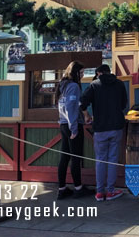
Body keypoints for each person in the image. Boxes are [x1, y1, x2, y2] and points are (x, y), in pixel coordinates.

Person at [81, 64, 128, 202]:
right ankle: (111, 190)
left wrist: (86, 115)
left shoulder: (94, 85)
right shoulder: (119, 84)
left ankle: (100, 192)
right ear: (109, 72)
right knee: (113, 159)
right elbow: (123, 104)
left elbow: (82, 102)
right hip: (116, 126)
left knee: (100, 160)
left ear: (99, 73)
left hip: (100, 127)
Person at [56, 61, 88, 199]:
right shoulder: (74, 86)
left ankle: (62, 188)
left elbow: (63, 105)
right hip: (71, 125)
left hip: (63, 123)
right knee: (76, 157)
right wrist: (74, 128)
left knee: (64, 156)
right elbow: (70, 107)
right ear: (75, 73)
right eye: (81, 73)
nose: (82, 75)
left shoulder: (62, 85)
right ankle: (78, 188)